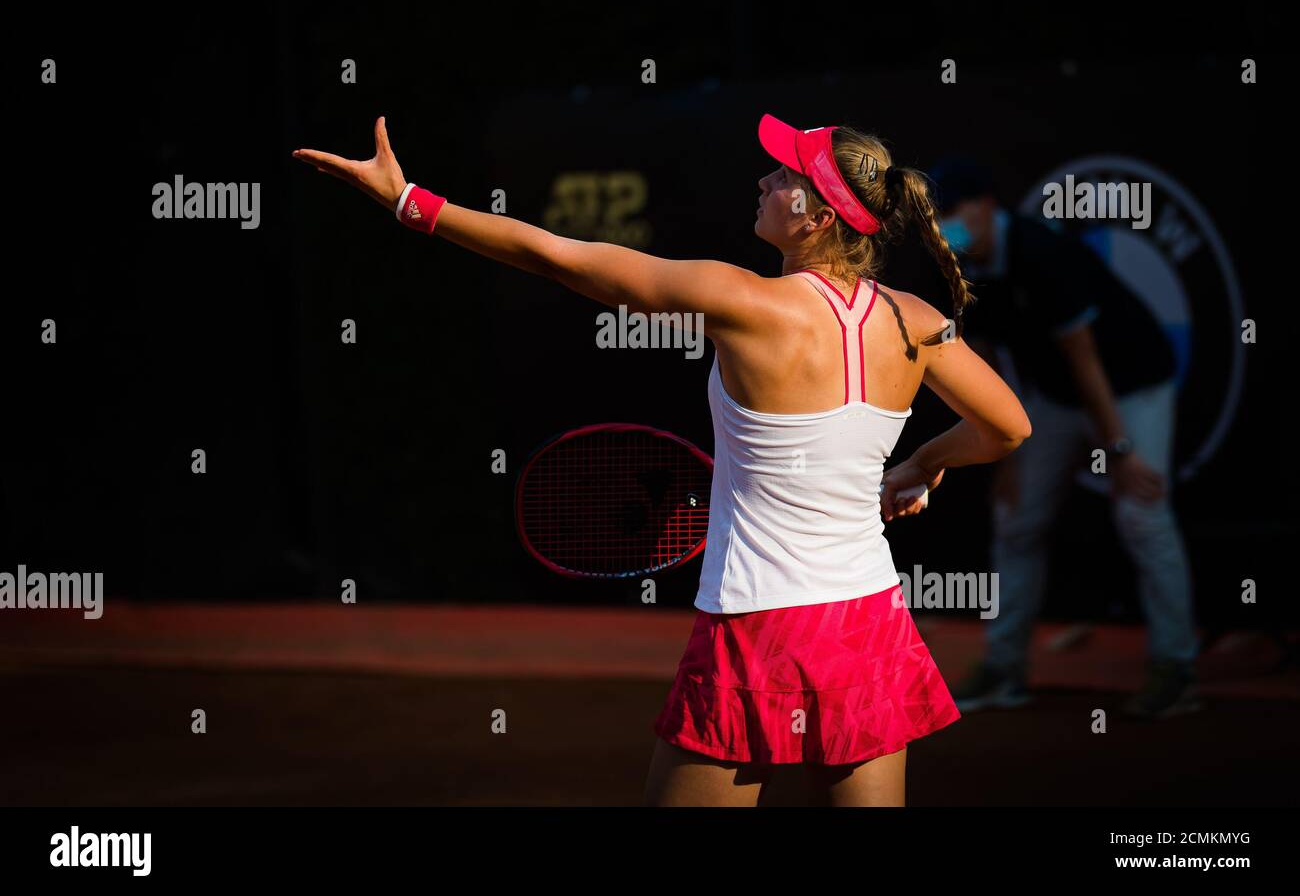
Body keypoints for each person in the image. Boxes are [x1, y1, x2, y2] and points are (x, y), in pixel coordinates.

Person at [293, 115, 1030, 806]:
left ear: (817, 215)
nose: (764, 183)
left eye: (780, 176)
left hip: (755, 624)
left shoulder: (741, 301)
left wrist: (409, 202)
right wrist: (922, 464)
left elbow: (559, 256)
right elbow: (1008, 427)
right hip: (868, 621)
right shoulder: (918, 321)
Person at [929, 158, 1202, 719]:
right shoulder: (958, 264)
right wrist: (999, 450)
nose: (944, 224)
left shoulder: (1042, 252)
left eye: (952, 211)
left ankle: (1175, 669)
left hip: (1129, 385)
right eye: (935, 215)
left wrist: (1119, 452)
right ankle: (1004, 669)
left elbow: (1086, 361)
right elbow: (986, 361)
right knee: (1016, 516)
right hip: (1052, 396)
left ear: (985, 206)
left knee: (1142, 513)